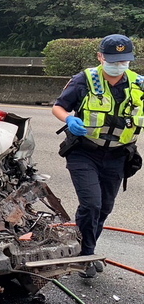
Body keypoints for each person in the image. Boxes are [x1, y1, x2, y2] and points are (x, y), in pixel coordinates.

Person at [52, 34, 143, 278]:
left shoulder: (138, 84)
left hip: (117, 156)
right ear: (100, 57)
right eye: (113, 59)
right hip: (85, 152)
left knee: (104, 208)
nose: (119, 64)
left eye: (124, 60)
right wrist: (69, 119)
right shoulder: (84, 80)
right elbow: (58, 106)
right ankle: (85, 254)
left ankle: (86, 249)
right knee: (91, 203)